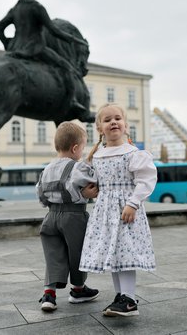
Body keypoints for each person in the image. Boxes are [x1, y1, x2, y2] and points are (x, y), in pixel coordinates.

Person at [78, 103, 157, 317]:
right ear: (100, 128)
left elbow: (146, 179)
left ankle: (129, 299)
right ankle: (121, 295)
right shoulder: (97, 156)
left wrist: (133, 203)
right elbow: (91, 181)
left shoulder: (133, 153)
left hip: (125, 211)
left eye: (117, 118)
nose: (113, 122)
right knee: (114, 254)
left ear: (125, 124)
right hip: (105, 212)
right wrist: (87, 192)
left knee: (125, 252)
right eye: (107, 120)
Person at [0, 0, 90, 114]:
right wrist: (71, 39)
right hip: (35, 49)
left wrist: (7, 43)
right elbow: (53, 30)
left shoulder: (16, 8)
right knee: (67, 68)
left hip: (15, 49)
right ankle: (72, 101)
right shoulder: (36, 7)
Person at [36, 122, 100, 312]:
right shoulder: (77, 167)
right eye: (82, 147)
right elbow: (93, 183)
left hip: (50, 217)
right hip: (74, 216)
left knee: (53, 255)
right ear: (75, 148)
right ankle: (78, 290)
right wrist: (83, 194)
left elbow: (41, 196)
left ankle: (49, 294)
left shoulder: (46, 170)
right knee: (78, 253)